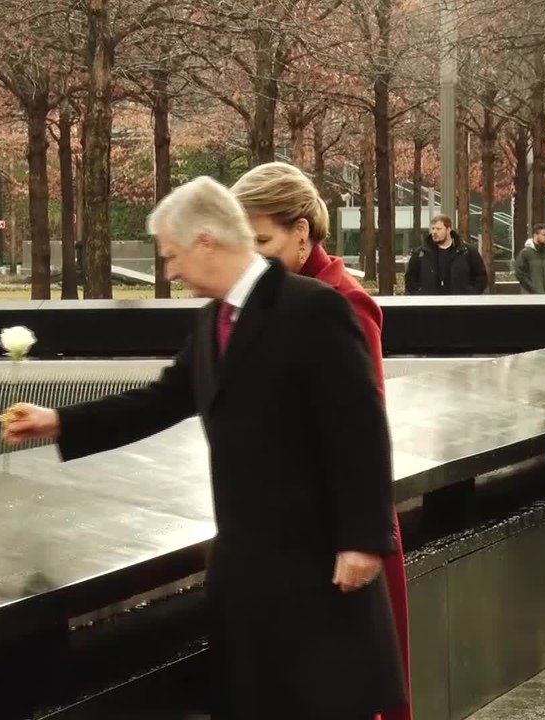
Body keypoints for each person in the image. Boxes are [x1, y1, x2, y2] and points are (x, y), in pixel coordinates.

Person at [2, 176, 406, 719]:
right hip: (249, 577)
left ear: (208, 241)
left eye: (172, 255)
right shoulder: (215, 318)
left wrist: (361, 542)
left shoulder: (314, 309)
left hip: (317, 576)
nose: (169, 270)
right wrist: (59, 422)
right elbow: (163, 398)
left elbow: (359, 429)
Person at [231, 161, 412, 720]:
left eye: (261, 241)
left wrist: (358, 540)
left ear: (303, 231)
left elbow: (362, 427)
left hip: (339, 533)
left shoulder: (344, 303)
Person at [404, 214, 488, 295]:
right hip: (430, 306)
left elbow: (481, 276)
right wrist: (419, 294)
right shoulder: (421, 253)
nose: (434, 232)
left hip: (460, 305)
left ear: (448, 230)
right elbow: (410, 278)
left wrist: (470, 294)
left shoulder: (467, 251)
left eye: (438, 229)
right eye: (433, 228)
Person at [515, 223, 545, 294]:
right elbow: (520, 274)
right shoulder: (525, 253)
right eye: (543, 235)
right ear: (535, 235)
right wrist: (532, 288)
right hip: (532, 297)